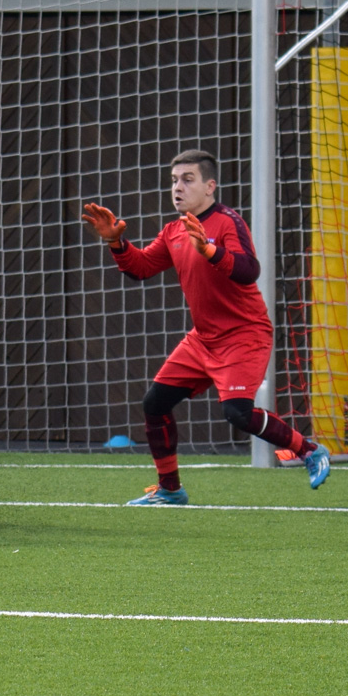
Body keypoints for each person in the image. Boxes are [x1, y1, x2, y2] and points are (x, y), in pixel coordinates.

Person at [81, 148, 330, 504]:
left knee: (237, 413)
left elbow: (249, 270)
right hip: (203, 340)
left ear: (210, 186)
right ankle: (170, 489)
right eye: (174, 181)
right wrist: (115, 242)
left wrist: (211, 252)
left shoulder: (228, 222)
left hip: (244, 334)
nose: (177, 187)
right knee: (155, 403)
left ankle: (309, 450)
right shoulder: (174, 230)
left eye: (188, 179)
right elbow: (141, 268)